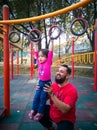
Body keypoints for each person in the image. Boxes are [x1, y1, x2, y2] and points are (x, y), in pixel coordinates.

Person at [39, 64, 78, 130]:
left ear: (67, 76)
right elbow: (44, 99)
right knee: (38, 109)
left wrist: (52, 94)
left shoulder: (72, 90)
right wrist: (40, 90)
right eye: (58, 71)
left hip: (65, 118)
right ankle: (50, 127)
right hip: (53, 113)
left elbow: (65, 110)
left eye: (61, 72)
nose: (58, 73)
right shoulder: (53, 85)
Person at [29, 40, 54, 121]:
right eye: (39, 56)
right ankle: (33, 110)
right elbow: (36, 53)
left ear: (47, 57)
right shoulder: (39, 62)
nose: (40, 58)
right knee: (36, 97)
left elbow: (50, 51)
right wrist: (36, 44)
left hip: (47, 83)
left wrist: (52, 41)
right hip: (40, 82)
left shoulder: (48, 62)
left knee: (43, 97)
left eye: (42, 56)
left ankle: (40, 112)